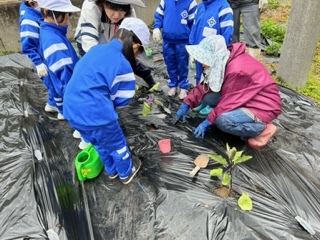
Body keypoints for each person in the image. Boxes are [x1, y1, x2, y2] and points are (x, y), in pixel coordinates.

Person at [63, 17, 149, 184]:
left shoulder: (96, 49)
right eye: (139, 53)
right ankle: (125, 172)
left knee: (98, 142)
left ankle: (111, 170)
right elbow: (122, 99)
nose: (137, 56)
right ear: (135, 46)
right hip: (96, 114)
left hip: (71, 110)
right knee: (117, 144)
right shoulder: (122, 63)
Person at [172, 35, 282, 148]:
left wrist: (207, 122)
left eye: (203, 59)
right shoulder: (223, 59)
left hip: (262, 105)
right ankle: (241, 118)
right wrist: (186, 103)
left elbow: (228, 102)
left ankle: (262, 129)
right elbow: (205, 86)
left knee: (222, 121)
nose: (200, 62)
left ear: (213, 57)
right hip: (246, 96)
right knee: (208, 97)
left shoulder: (236, 71)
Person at [74, 0, 162, 93]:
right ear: (103, 2)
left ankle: (150, 81)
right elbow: (90, 46)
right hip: (90, 43)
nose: (116, 15)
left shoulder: (130, 12)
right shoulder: (91, 7)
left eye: (122, 10)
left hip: (114, 39)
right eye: (112, 8)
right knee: (97, 69)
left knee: (131, 60)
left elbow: (135, 34)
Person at [37, 0, 80, 121]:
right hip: (71, 88)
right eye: (64, 14)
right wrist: (75, 96)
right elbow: (64, 74)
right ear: (47, 12)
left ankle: (63, 111)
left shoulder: (48, 31)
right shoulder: (53, 41)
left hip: (59, 85)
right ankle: (82, 130)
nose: (67, 18)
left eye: (68, 14)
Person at [152, 0, 197, 99]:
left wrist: (192, 43)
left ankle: (183, 86)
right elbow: (159, 15)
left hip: (183, 41)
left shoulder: (190, 2)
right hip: (168, 40)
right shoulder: (165, 1)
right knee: (170, 63)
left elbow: (193, 23)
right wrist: (156, 28)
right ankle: (173, 85)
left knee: (182, 64)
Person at [19, 0, 58, 113]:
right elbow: (27, 45)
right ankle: (61, 108)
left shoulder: (34, 13)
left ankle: (52, 103)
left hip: (44, 53)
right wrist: (38, 63)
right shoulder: (29, 19)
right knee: (52, 82)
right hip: (41, 58)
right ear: (31, 2)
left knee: (52, 81)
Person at [189, 0, 234, 86]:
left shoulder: (223, 7)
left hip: (213, 57)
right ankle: (199, 96)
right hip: (200, 53)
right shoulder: (199, 7)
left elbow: (226, 36)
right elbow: (194, 29)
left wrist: (213, 59)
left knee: (211, 82)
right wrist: (192, 49)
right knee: (199, 79)